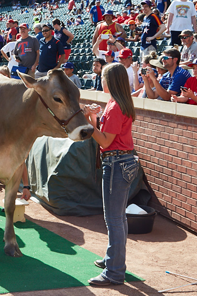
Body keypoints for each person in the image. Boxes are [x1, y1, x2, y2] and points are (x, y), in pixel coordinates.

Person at [82, 63, 139, 286]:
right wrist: (92, 117)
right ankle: (111, 259)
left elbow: (104, 140)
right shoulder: (116, 103)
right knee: (118, 217)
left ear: (110, 80)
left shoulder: (115, 106)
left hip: (116, 163)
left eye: (103, 78)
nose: (101, 81)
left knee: (113, 218)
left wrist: (90, 122)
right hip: (121, 160)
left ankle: (115, 272)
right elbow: (104, 135)